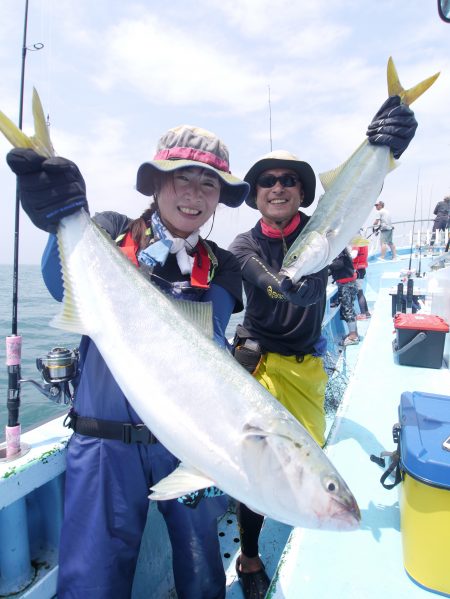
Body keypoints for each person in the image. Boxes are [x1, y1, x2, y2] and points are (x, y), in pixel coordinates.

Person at [6, 125, 249, 599]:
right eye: (182, 177)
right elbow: (61, 287)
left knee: (203, 573)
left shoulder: (223, 264)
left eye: (209, 184)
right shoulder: (109, 231)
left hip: (189, 444)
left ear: (219, 197)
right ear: (156, 183)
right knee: (91, 583)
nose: (194, 194)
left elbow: (204, 336)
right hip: (103, 444)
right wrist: (59, 220)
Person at [228, 94, 417, 599]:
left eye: (289, 180)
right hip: (258, 363)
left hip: (307, 364)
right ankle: (248, 556)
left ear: (303, 192)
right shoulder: (243, 245)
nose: (278, 187)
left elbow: (340, 258)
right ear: (256, 194)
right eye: (267, 180)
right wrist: (307, 279)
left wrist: (386, 150)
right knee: (261, 466)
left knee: (309, 456)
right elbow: (274, 282)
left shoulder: (325, 231)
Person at [329, 248, 360, 345]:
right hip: (349, 282)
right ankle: (354, 333)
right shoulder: (341, 248)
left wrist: (325, 266)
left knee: (348, 310)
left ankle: (353, 337)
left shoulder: (339, 250)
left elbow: (339, 264)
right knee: (350, 309)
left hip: (346, 284)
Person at [351, 239, 371, 320]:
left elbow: (353, 255)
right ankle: (366, 312)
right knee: (360, 291)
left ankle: (363, 314)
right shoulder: (363, 242)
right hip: (362, 269)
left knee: (359, 292)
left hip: (357, 269)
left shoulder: (356, 243)